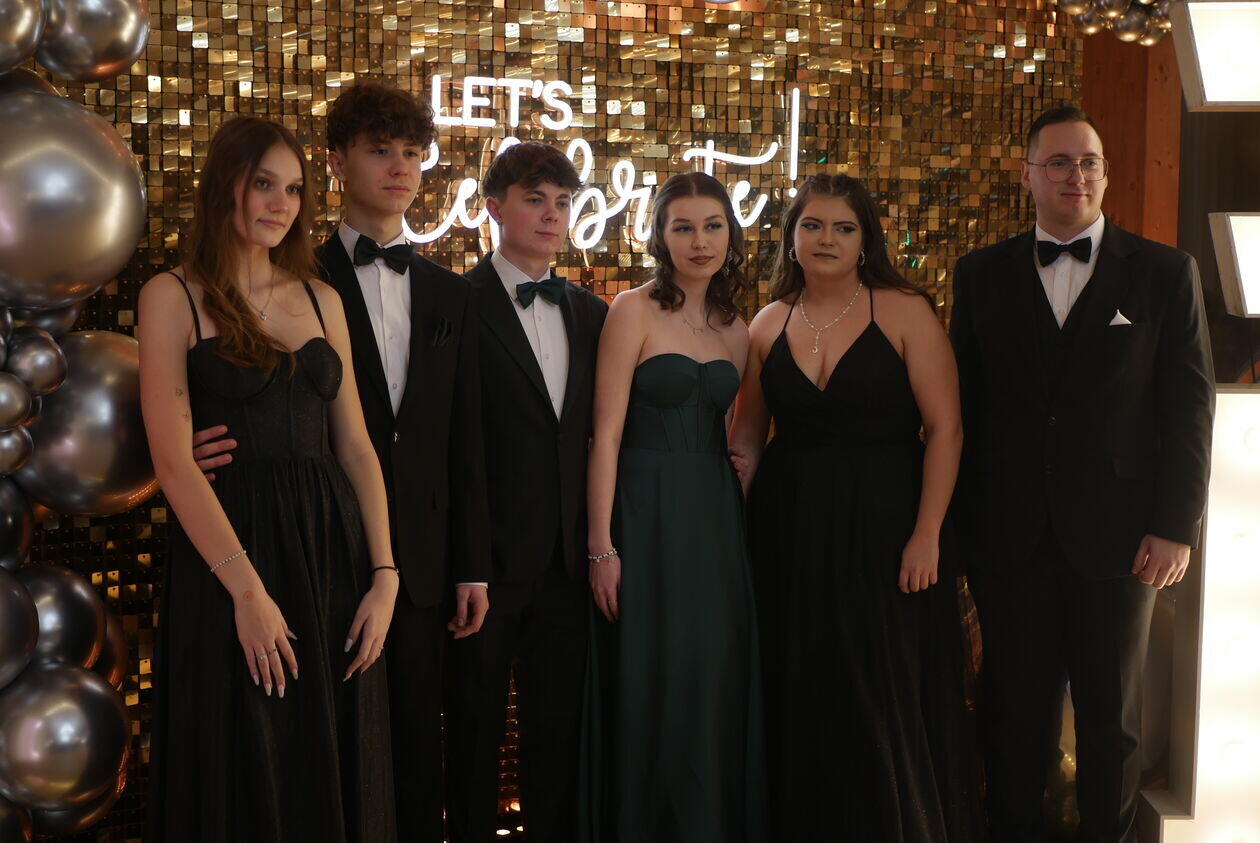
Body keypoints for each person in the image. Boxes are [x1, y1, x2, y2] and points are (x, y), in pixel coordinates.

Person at [189, 81, 491, 841]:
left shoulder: (451, 293)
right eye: (381, 150)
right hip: (302, 544)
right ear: (337, 162)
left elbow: (465, 440)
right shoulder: (300, 274)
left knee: (409, 757)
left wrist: (467, 564)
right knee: (301, 755)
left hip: (415, 560)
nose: (400, 167)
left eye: (413, 153)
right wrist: (210, 435)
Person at [950, 105, 1214, 842]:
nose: (1077, 175)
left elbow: (1190, 411)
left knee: (1112, 719)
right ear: (1028, 174)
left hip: (1124, 539)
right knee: (1011, 717)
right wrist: (960, 530)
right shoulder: (981, 274)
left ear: (1105, 172)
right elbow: (963, 411)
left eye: (1089, 161)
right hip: (1009, 538)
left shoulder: (1166, 273)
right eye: (1060, 162)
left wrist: (1176, 526)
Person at [141, 116, 398, 842]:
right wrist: (247, 592)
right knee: (246, 759)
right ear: (226, 186)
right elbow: (173, 461)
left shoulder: (321, 298)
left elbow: (357, 448)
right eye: (263, 184)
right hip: (233, 555)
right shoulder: (171, 295)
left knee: (334, 760)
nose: (281, 203)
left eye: (293, 189)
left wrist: (385, 574)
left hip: (332, 554)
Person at [729, 173, 979, 842]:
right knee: (803, 684)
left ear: (866, 239)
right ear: (791, 237)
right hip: (789, 531)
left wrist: (928, 533)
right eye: (812, 225)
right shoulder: (767, 322)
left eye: (844, 227)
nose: (827, 239)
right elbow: (748, 438)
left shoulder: (905, 311)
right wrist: (727, 528)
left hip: (889, 527)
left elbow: (946, 430)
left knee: (877, 691)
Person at [580, 171, 768, 842]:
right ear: (660, 236)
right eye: (683, 227)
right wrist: (601, 546)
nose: (700, 241)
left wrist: (748, 468)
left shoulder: (739, 328)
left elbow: (743, 434)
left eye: (713, 226)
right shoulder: (631, 309)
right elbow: (604, 435)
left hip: (713, 519)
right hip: (643, 511)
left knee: (709, 674)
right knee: (650, 673)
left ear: (730, 235)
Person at [445, 141, 608, 843]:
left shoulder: (593, 313)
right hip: (484, 569)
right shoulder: (456, 302)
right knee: (473, 739)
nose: (551, 215)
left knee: (559, 744)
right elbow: (451, 446)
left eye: (563, 202)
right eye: (535, 199)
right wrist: (468, 562)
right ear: (493, 208)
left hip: (568, 569)